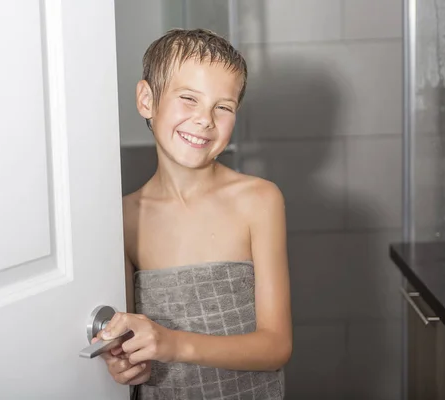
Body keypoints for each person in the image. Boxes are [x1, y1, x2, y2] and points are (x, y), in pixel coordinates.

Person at [94, 28, 292, 399]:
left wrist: (172, 344)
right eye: (189, 98)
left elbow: (276, 346)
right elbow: (129, 345)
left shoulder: (259, 200)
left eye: (223, 106)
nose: (205, 119)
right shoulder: (123, 219)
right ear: (146, 99)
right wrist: (124, 361)